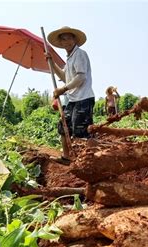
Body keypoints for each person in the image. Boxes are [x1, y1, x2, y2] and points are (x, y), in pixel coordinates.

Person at [46, 26, 95, 161]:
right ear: (60, 43)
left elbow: (81, 77)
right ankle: (66, 157)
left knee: (82, 132)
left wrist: (63, 89)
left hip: (84, 98)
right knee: (64, 126)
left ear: (74, 39)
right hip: (73, 100)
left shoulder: (80, 54)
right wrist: (52, 63)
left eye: (69, 38)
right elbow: (64, 77)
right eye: (63, 39)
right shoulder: (69, 59)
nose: (66, 41)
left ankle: (88, 160)